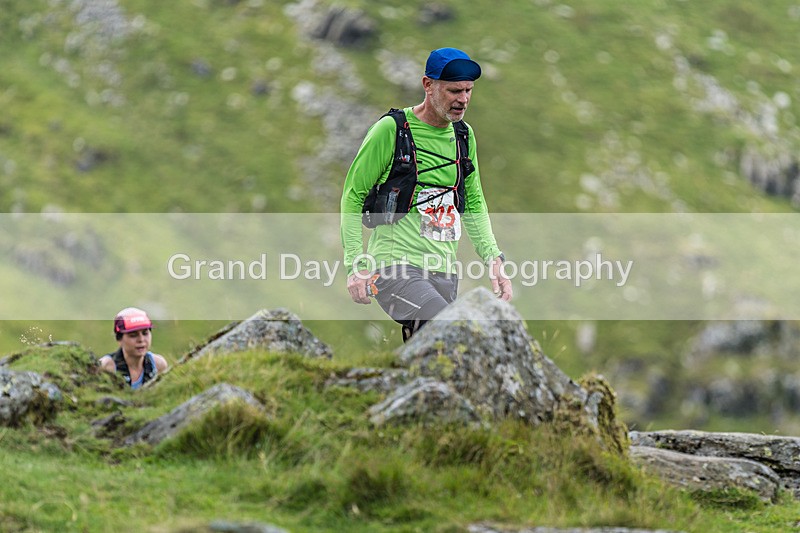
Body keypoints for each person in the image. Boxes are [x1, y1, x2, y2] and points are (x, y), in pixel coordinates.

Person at [341, 47, 512, 341]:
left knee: (439, 355)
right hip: (395, 269)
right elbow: (353, 196)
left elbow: (473, 202)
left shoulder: (463, 136)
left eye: (468, 91)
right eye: (454, 91)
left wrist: (493, 259)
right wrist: (356, 266)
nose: (463, 99)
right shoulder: (392, 130)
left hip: (444, 272)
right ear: (428, 85)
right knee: (451, 331)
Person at [99, 307, 168, 389]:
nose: (141, 340)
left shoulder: (158, 365)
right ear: (119, 339)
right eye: (133, 335)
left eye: (145, 333)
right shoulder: (106, 366)